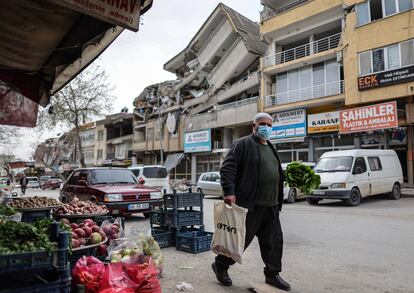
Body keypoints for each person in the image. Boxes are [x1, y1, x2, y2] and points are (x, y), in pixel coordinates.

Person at [211, 112, 291, 291]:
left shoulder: (270, 146)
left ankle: (272, 274)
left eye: (269, 125)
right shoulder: (243, 144)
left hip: (271, 206)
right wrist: (229, 191)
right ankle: (221, 265)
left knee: (273, 242)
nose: (266, 128)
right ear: (253, 126)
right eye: (262, 124)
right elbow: (228, 168)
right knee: (239, 241)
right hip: (250, 205)